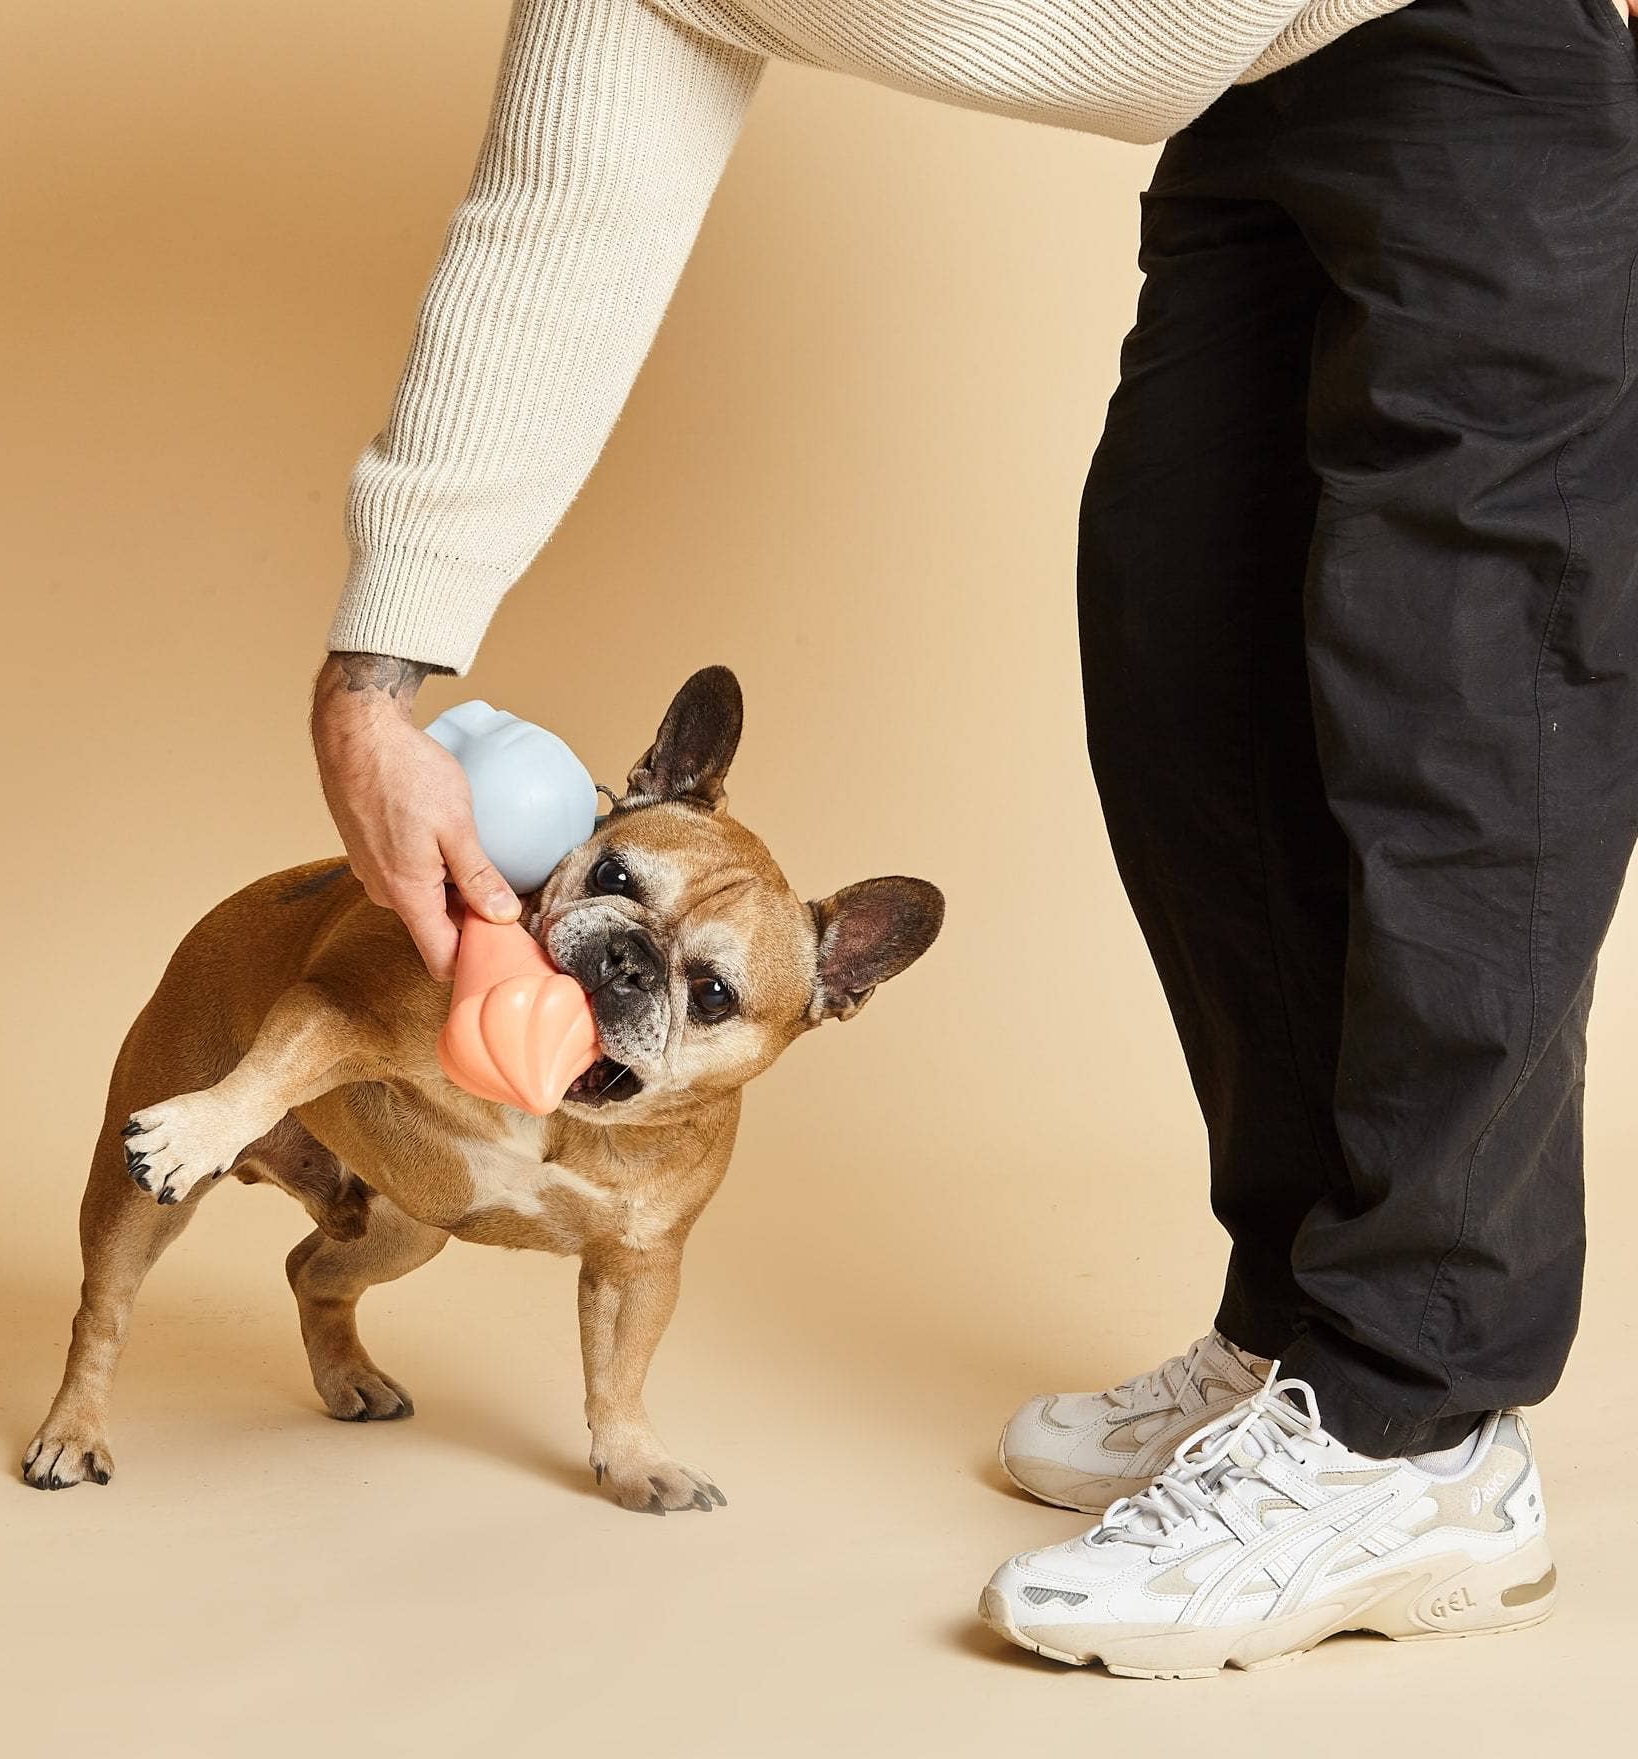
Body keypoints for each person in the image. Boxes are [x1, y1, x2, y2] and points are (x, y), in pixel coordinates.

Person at [310, 0, 1638, 1674]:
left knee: (1463, 714)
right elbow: (568, 207)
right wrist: (377, 674)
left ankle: (1418, 1422)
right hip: (1250, 95)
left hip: (1482, 60)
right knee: (1190, 682)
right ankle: (1308, 1320)